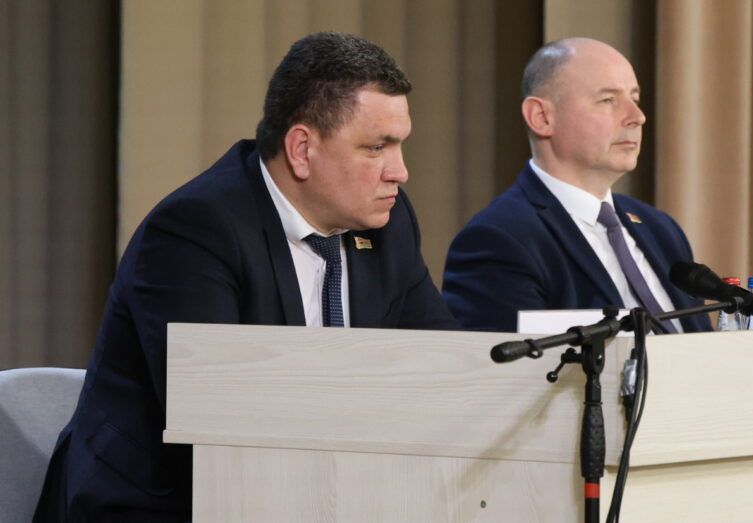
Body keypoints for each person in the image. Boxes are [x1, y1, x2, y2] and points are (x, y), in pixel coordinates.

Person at [34, 32, 458, 522]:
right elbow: (215, 420)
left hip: (322, 497)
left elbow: (443, 368)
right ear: (302, 149)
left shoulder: (387, 224)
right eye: (377, 147)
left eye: (400, 146)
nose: (399, 172)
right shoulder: (196, 231)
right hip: (162, 505)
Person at [442, 37, 711, 334]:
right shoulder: (499, 240)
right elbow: (505, 361)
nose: (637, 117)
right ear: (541, 117)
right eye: (608, 100)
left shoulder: (661, 230)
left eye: (635, 99)